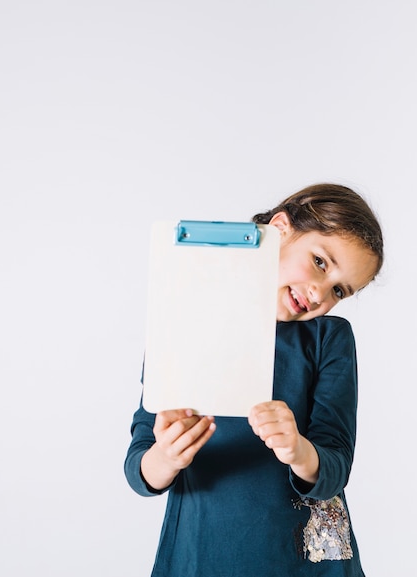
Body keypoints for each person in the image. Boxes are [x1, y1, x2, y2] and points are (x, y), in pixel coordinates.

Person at [124, 183, 384, 577]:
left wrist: (298, 450)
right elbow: (140, 465)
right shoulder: (183, 322)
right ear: (280, 229)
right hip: (202, 553)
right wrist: (167, 456)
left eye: (339, 290)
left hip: (306, 562)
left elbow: (335, 463)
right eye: (319, 262)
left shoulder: (330, 339)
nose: (319, 294)